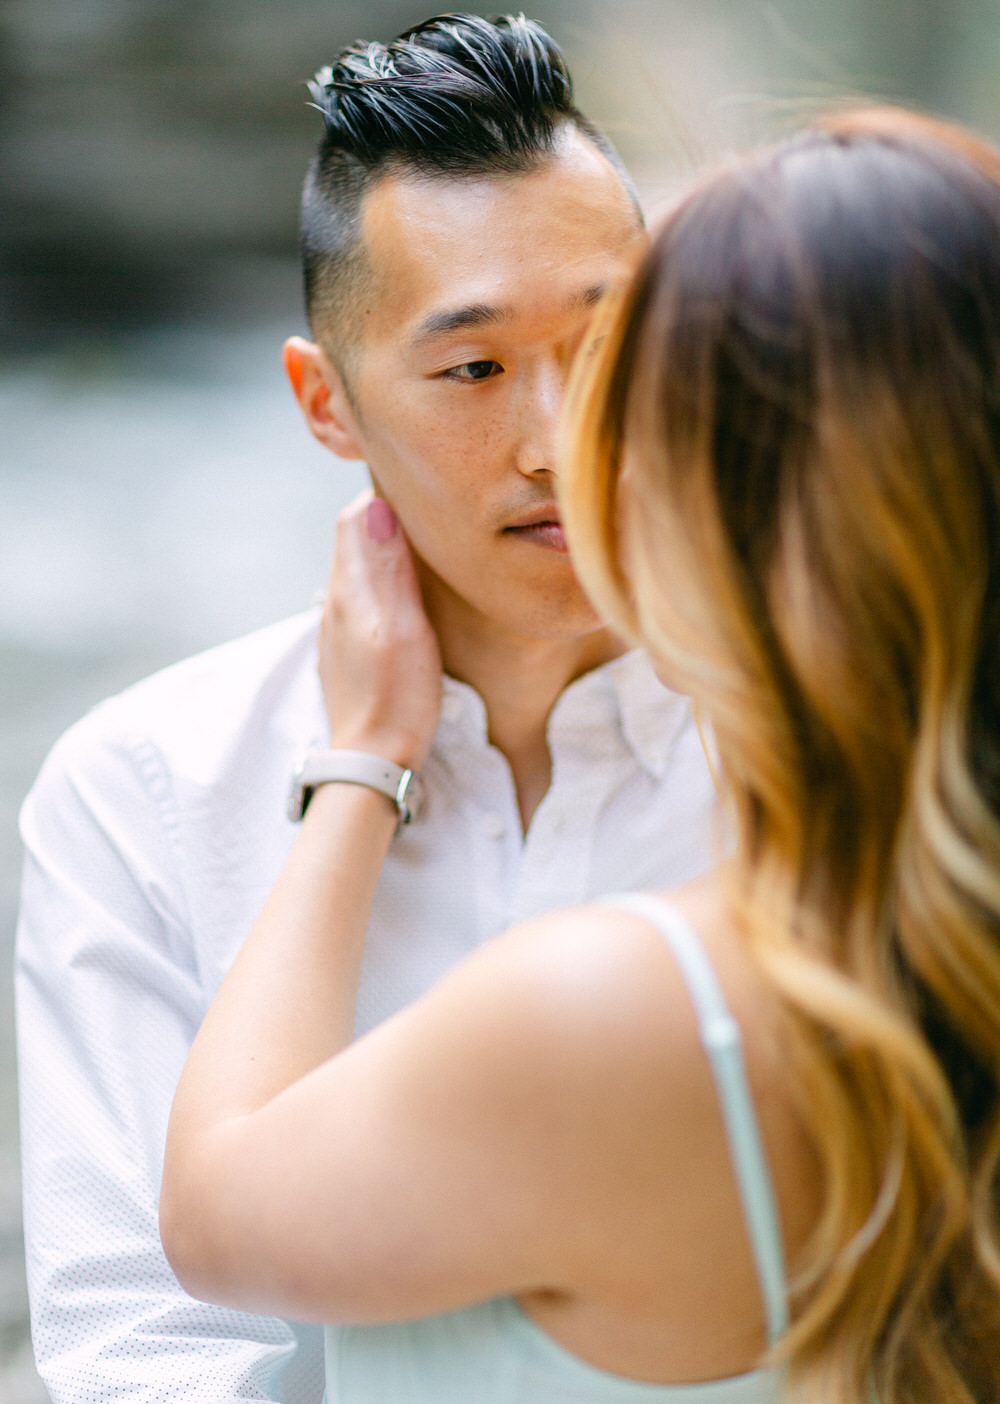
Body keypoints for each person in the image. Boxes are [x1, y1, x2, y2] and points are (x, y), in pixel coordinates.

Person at [159, 104, 1000, 1403]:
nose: (563, 452)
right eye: (477, 369)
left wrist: (363, 764)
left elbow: (216, 1216)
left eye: (617, 374)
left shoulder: (620, 1016)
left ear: (721, 509)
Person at [16, 14, 718, 1403]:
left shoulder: (824, 737)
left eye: (610, 339)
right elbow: (139, 1351)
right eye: (474, 369)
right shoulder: (147, 788)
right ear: (323, 403)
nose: (560, 435)